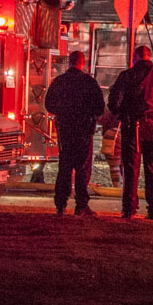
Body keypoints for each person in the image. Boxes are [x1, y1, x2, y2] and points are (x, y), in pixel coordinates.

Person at [108, 45, 153, 220]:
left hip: (132, 127)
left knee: (131, 168)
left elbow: (114, 102)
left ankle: (129, 209)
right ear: (149, 58)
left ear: (135, 58)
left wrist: (123, 113)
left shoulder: (126, 76)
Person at [44, 51, 106, 216]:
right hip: (84, 130)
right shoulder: (89, 82)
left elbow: (49, 104)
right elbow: (100, 107)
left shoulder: (60, 82)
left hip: (65, 130)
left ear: (69, 62)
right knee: (82, 168)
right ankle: (81, 205)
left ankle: (61, 203)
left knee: (64, 166)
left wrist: (64, 113)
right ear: (83, 63)